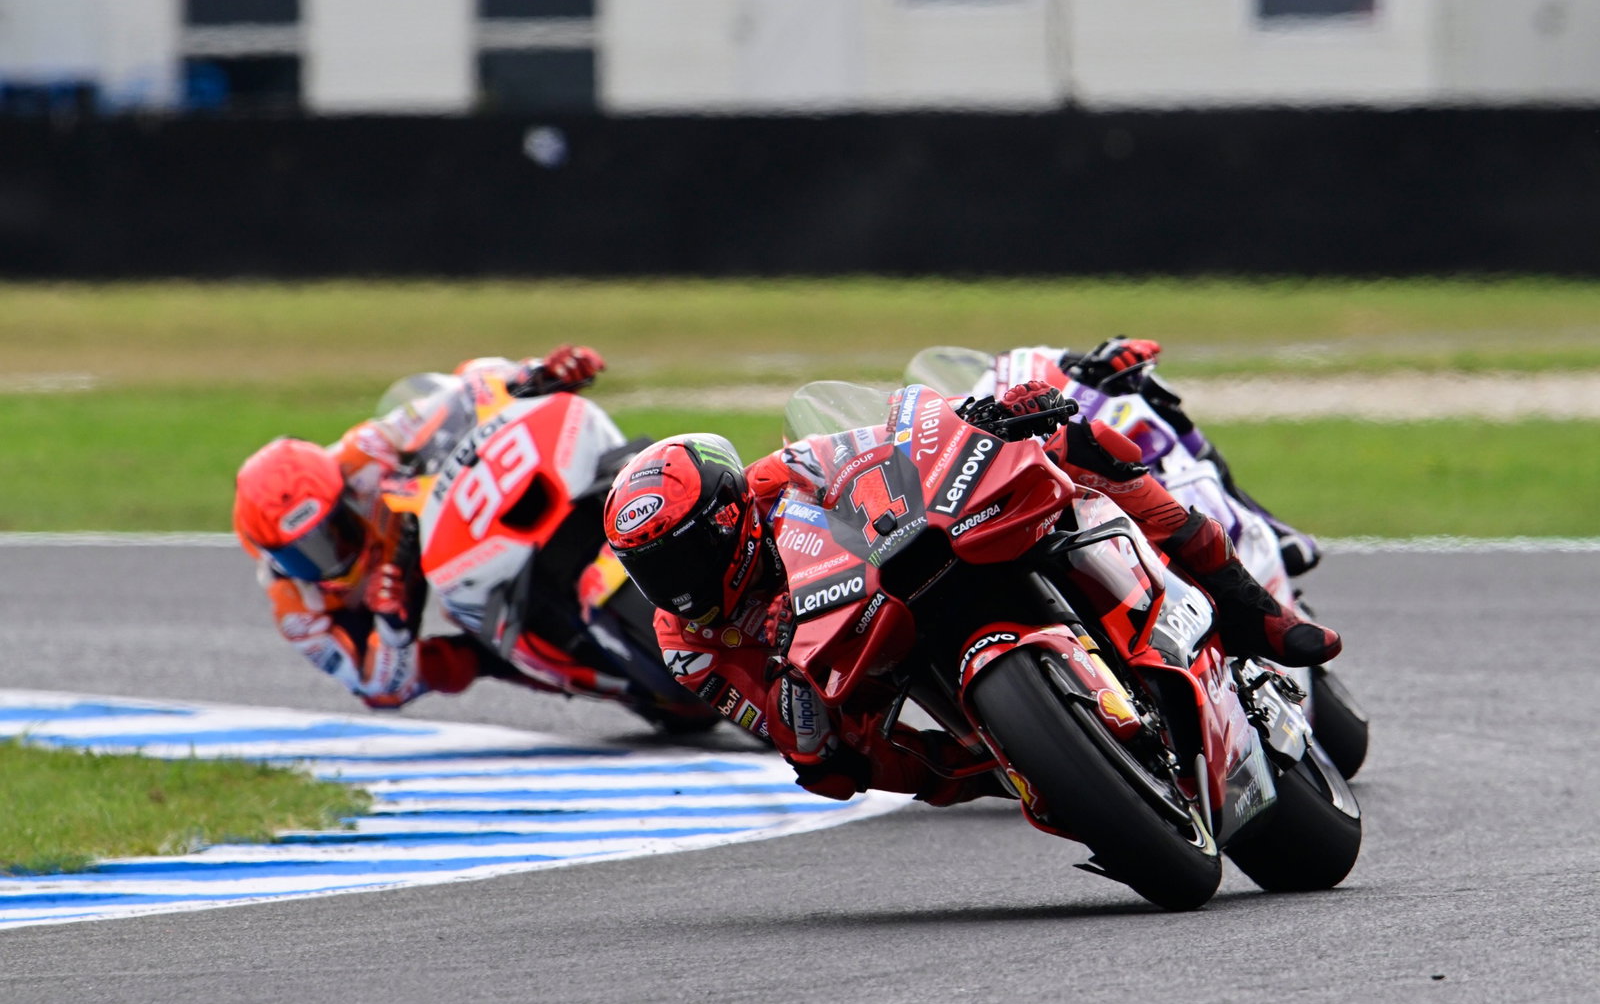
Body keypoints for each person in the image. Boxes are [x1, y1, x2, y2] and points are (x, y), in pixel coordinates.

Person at [600, 388, 1340, 809]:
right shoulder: (688, 643)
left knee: (1072, 439)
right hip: (861, 661)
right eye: (653, 570)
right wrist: (803, 727)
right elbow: (800, 748)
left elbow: (890, 439)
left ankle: (1252, 610)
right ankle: (1007, 762)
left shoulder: (774, 479)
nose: (677, 584)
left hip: (900, 567)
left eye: (685, 554)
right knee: (841, 770)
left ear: (729, 514)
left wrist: (979, 416)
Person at [232, 344, 605, 710]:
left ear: (342, 493)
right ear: (271, 556)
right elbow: (377, 687)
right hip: (390, 608)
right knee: (409, 680)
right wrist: (394, 626)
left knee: (478, 367)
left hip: (430, 521)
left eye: (334, 531)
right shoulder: (297, 609)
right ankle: (547, 666)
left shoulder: (362, 454)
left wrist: (535, 375)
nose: (332, 557)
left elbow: (462, 394)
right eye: (304, 554)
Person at [1004, 336, 1321, 576]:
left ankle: (1260, 530)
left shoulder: (1010, 365)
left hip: (1070, 471)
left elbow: (1046, 365)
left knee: (1145, 401)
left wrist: (1106, 359)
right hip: (1001, 490)